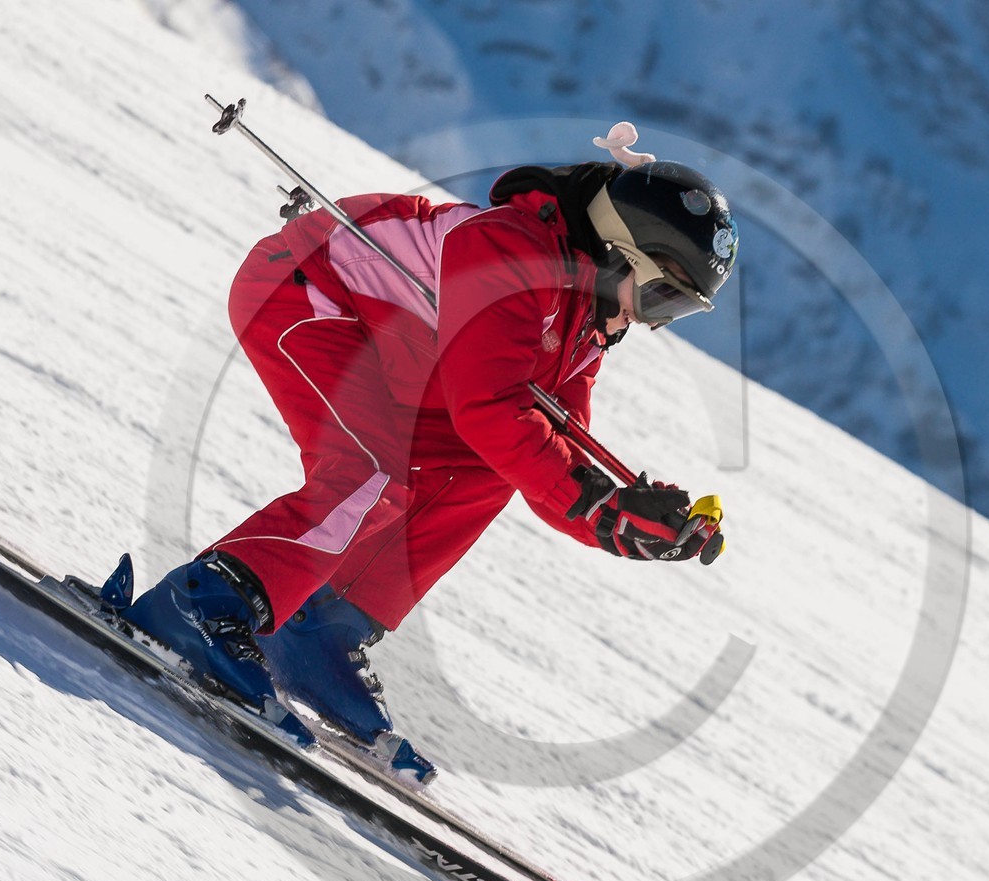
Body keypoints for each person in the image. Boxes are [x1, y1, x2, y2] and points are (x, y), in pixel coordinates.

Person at [118, 134, 739, 785]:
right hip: (309, 291)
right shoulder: (512, 248)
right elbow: (489, 408)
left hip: (389, 350)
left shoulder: (584, 323)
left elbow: (548, 460)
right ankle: (204, 602)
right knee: (370, 472)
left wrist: (623, 518)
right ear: (621, 252)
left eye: (679, 311)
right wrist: (598, 502)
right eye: (664, 297)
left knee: (489, 470)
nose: (653, 322)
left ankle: (316, 633)